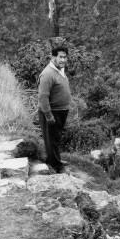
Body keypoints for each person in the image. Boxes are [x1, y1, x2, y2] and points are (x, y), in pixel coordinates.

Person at [38, 45, 72, 173]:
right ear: (53, 57)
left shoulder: (60, 70)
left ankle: (55, 160)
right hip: (52, 112)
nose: (63, 60)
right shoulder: (47, 74)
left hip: (61, 111)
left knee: (56, 138)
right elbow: (43, 96)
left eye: (65, 57)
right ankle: (57, 167)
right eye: (61, 57)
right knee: (51, 139)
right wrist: (48, 115)